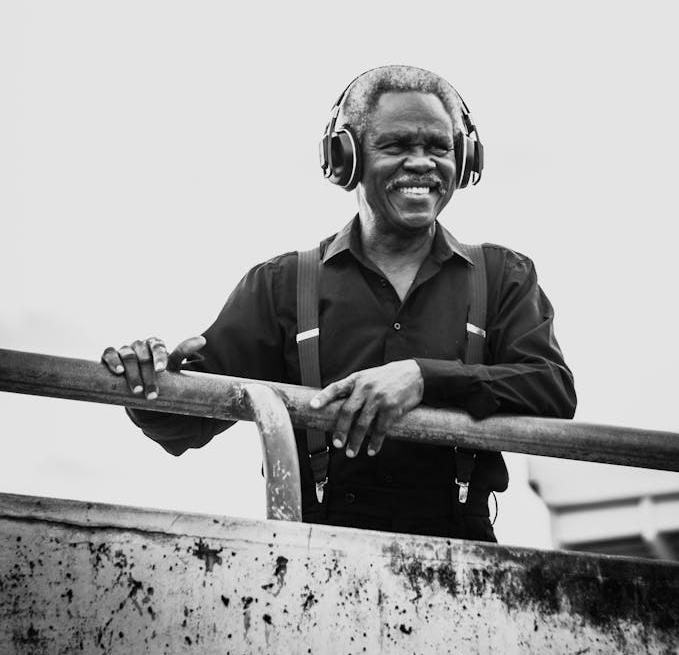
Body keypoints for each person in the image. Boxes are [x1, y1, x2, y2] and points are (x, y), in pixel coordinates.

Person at [102, 65, 576, 541]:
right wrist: (147, 382)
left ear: (465, 158)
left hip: (467, 564)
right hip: (315, 561)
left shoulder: (504, 277)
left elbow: (550, 389)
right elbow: (185, 428)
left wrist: (423, 377)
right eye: (396, 146)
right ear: (345, 158)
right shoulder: (280, 286)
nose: (422, 163)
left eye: (438, 147)